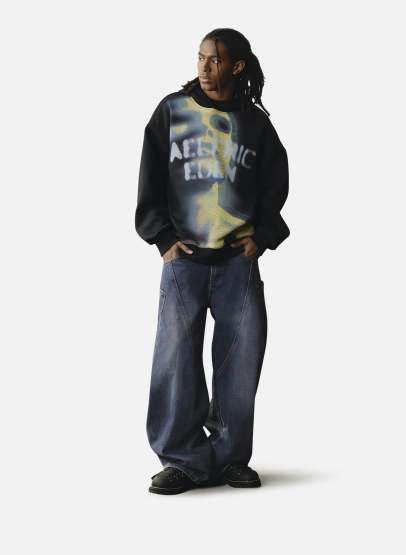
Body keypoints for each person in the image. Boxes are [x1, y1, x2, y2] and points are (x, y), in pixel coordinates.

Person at [135, 28, 290, 495]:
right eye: (201, 57)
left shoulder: (254, 123)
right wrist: (162, 237)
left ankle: (229, 458)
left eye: (216, 60)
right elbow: (150, 175)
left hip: (237, 262)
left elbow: (276, 180)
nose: (204, 67)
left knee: (240, 360)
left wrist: (263, 237)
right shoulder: (173, 111)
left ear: (237, 66)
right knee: (175, 359)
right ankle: (182, 461)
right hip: (183, 258)